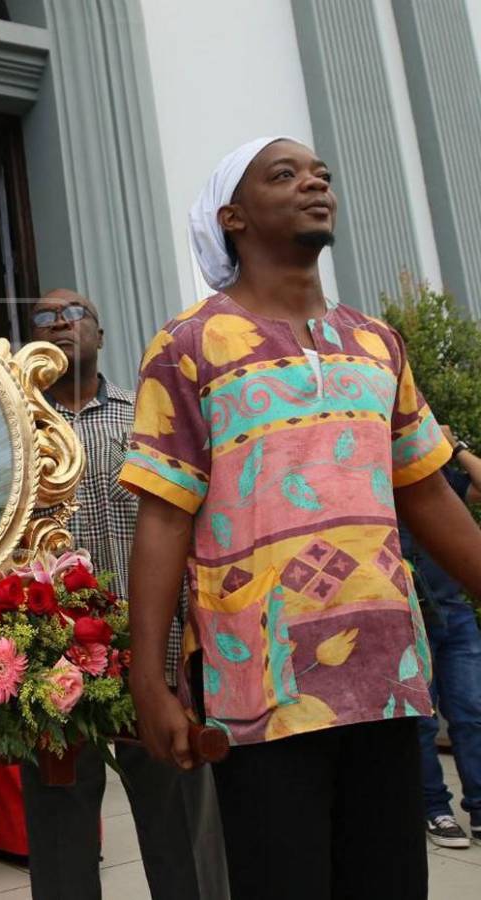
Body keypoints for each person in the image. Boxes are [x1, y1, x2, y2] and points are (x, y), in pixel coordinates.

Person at [122, 135, 481, 899]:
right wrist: (148, 680)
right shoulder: (187, 348)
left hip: (385, 671)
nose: (314, 182)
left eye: (320, 172)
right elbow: (163, 518)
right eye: (283, 175)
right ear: (234, 217)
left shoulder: (377, 344)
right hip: (258, 681)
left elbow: (425, 491)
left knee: (388, 881)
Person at [18, 290, 227, 900]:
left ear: (101, 334)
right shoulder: (17, 430)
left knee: (178, 822)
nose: (58, 325)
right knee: (60, 826)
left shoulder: (148, 418)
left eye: (73, 313)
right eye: (43, 319)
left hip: (151, 651)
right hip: (48, 659)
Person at [401, 424, 481, 848]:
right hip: (409, 612)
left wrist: (457, 448)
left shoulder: (440, 476)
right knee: (422, 721)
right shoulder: (389, 472)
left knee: (472, 714)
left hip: (455, 610)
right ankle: (435, 809)